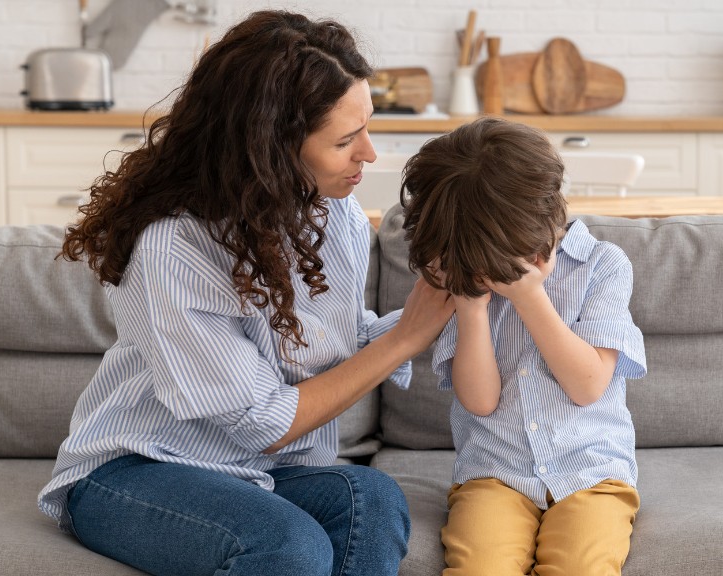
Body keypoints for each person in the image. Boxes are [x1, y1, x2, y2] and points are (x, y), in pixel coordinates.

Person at [38, 10, 454, 576]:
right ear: (270, 148)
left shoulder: (333, 214)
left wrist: (445, 307)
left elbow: (337, 340)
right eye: (345, 139)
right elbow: (263, 420)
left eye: (367, 127)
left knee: (372, 500)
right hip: (137, 468)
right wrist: (405, 338)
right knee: (289, 545)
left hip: (266, 470)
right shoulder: (174, 248)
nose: (370, 155)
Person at [400, 117, 648, 576]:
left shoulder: (603, 266)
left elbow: (589, 385)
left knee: (581, 568)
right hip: (494, 474)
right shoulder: (468, 272)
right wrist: (471, 308)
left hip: (591, 474)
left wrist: (529, 296)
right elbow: (479, 401)